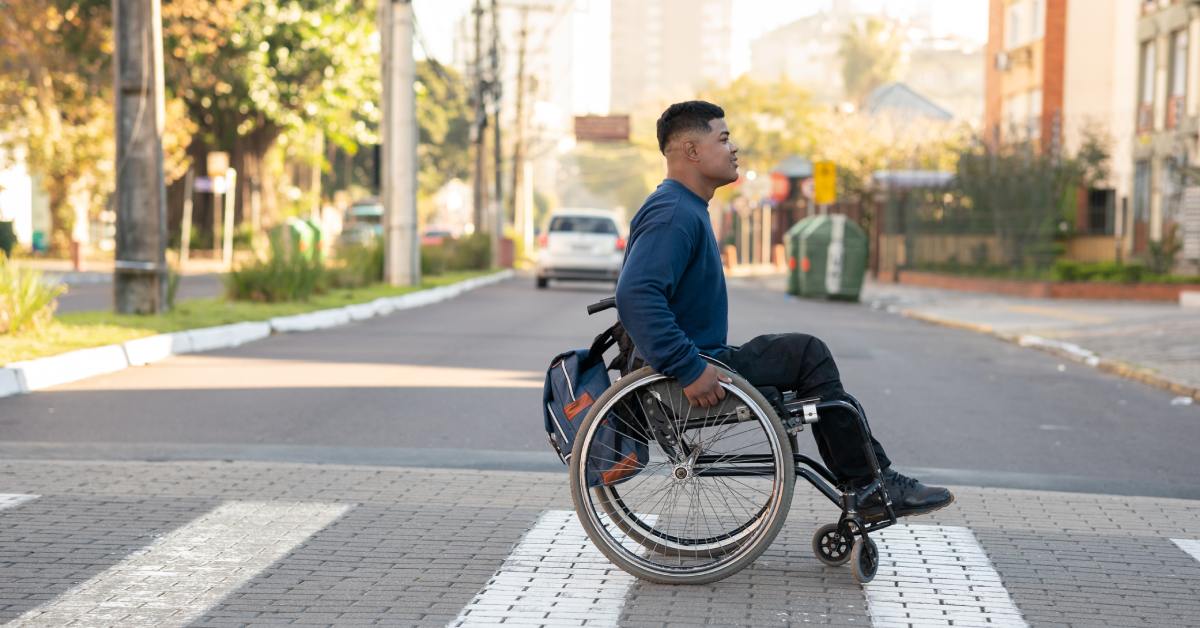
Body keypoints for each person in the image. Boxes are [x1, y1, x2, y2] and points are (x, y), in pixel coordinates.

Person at [614, 100, 953, 518]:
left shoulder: (683, 207)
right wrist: (687, 368)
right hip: (690, 370)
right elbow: (636, 295)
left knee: (810, 366)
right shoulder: (673, 212)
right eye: (723, 138)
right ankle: (870, 485)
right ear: (691, 151)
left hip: (696, 359)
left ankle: (867, 483)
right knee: (807, 354)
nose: (734, 148)